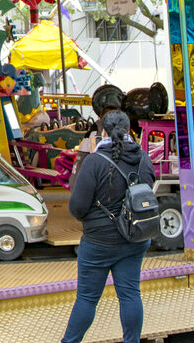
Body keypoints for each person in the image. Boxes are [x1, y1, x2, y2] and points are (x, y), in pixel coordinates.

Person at [63, 110, 156, 343]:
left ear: (102, 131)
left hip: (98, 242)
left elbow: (77, 207)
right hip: (134, 239)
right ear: (129, 130)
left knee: (86, 298)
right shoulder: (143, 158)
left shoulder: (94, 162)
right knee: (130, 294)